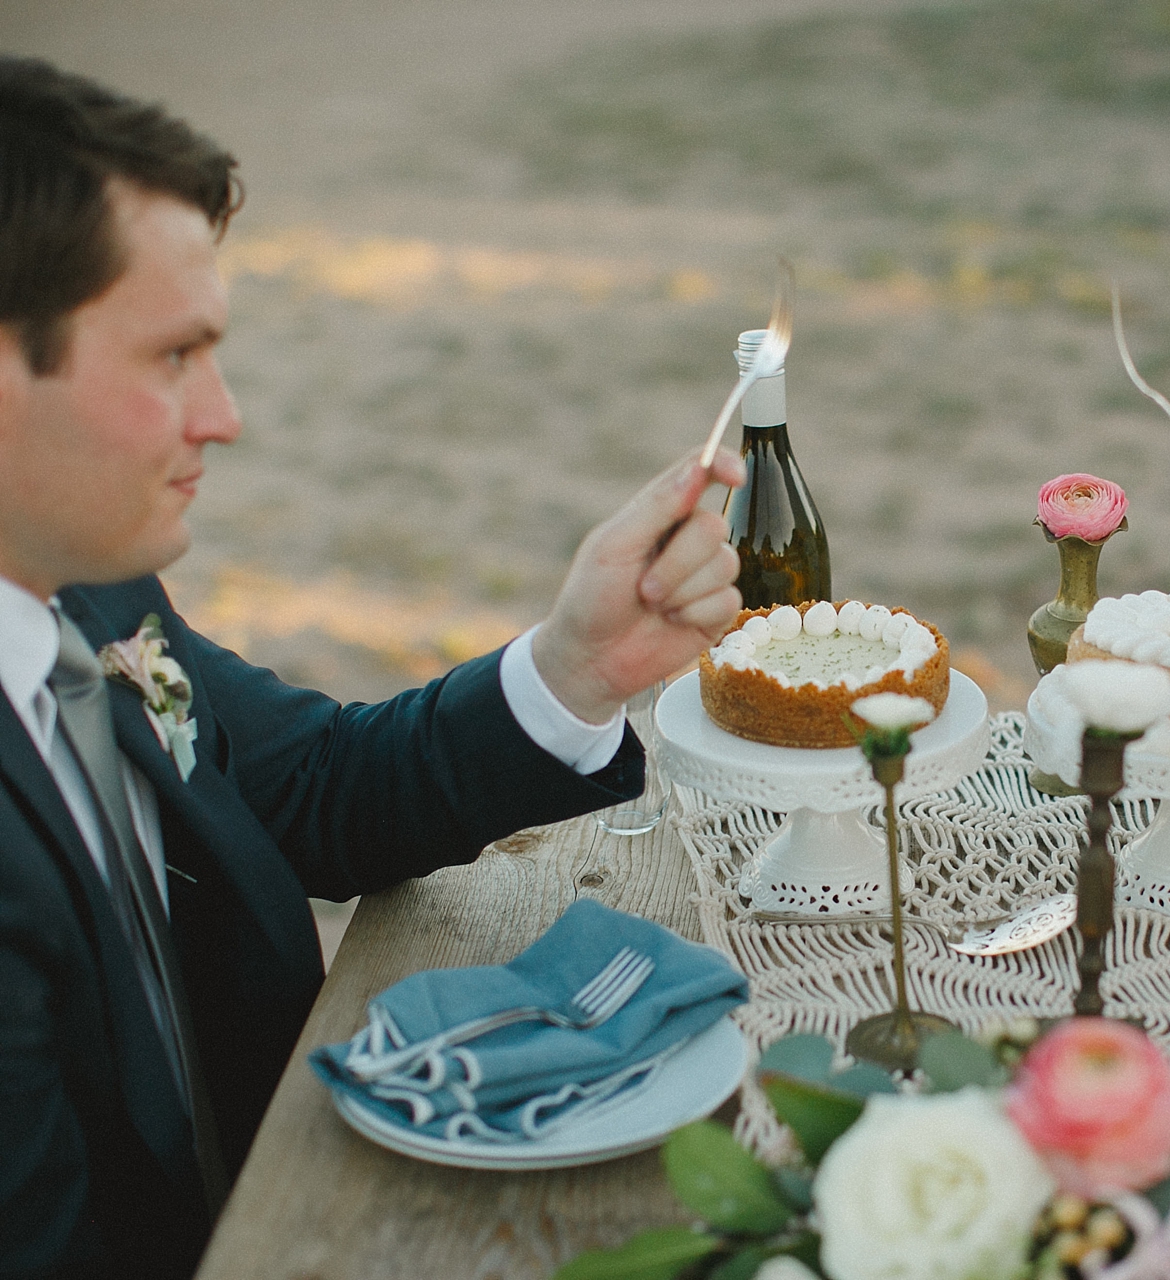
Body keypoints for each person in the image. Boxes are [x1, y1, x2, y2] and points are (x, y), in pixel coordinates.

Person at [0, 58, 744, 1278]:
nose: (224, 414)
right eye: (172, 356)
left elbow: (307, 793)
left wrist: (577, 664)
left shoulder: (77, 580)